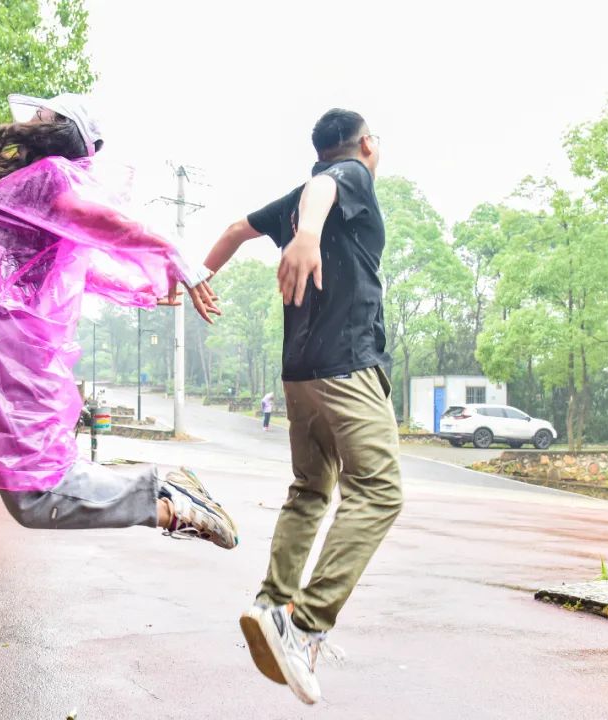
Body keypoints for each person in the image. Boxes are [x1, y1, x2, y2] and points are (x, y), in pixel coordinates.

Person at [0, 92, 238, 550]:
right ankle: (166, 495)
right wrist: (143, 288)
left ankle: (169, 501)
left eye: (44, 113)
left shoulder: (51, 178)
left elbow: (97, 220)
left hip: (6, 347)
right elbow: (74, 266)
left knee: (35, 493)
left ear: (61, 129)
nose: (33, 117)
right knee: (30, 488)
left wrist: (171, 252)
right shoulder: (35, 185)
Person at [203, 108, 403, 703]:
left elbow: (236, 229)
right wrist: (309, 234)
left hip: (300, 377)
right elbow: (328, 185)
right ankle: (305, 625)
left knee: (311, 490)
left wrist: (198, 275)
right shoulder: (347, 177)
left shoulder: (298, 195)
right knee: (380, 492)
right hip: (347, 368)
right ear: (365, 144)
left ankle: (271, 603)